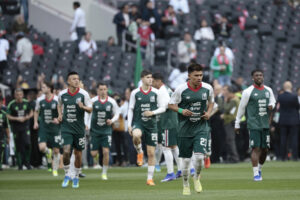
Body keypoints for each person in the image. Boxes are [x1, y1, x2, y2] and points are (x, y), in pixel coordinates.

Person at [168, 63, 214, 195]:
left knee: (199, 157)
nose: (199, 78)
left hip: (201, 127)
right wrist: (182, 110)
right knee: (186, 161)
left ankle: (197, 177)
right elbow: (171, 105)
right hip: (184, 129)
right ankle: (185, 184)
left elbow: (211, 102)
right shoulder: (181, 89)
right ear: (189, 76)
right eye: (196, 75)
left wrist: (209, 112)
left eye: (201, 75)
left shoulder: (207, 88)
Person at [235, 69, 276, 181]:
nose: (259, 77)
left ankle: (259, 168)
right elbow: (241, 108)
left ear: (263, 77)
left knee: (265, 150)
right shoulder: (248, 91)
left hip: (265, 124)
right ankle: (255, 174)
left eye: (261, 75)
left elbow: (273, 101)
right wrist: (237, 123)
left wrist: (272, 105)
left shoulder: (268, 90)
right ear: (253, 78)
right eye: (256, 75)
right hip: (253, 124)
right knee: (256, 148)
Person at [127, 70, 166, 186]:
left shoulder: (156, 92)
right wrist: (129, 124)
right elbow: (130, 109)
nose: (150, 80)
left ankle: (150, 178)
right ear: (142, 79)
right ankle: (139, 152)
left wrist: (152, 112)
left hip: (152, 125)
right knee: (136, 135)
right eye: (148, 77)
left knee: (151, 153)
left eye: (151, 78)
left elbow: (163, 108)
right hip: (139, 122)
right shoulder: (135, 93)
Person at [58, 71, 92, 188]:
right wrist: (60, 114)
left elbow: (91, 109)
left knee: (78, 154)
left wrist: (83, 107)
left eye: (77, 79)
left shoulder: (84, 94)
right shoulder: (62, 94)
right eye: (73, 79)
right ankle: (67, 174)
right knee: (66, 151)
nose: (76, 81)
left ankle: (76, 176)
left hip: (79, 129)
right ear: (68, 81)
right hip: (66, 128)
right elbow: (59, 104)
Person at [152, 73, 181, 182]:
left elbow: (164, 108)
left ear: (158, 81)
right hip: (173, 120)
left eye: (153, 81)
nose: (152, 83)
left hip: (168, 122)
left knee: (166, 148)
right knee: (174, 147)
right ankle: (180, 170)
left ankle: (170, 173)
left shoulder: (162, 91)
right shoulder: (167, 89)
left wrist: (152, 112)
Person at [90, 82, 120, 180]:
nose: (103, 91)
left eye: (104, 89)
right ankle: (97, 156)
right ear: (98, 91)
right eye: (101, 89)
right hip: (94, 130)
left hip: (106, 131)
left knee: (106, 152)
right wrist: (86, 124)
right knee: (93, 154)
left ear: (107, 90)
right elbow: (87, 113)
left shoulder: (111, 101)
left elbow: (117, 113)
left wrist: (112, 120)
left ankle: (104, 173)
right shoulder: (93, 101)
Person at [34, 82, 61, 176]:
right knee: (42, 148)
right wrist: (35, 122)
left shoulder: (57, 99)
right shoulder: (39, 100)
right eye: (42, 87)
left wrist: (58, 119)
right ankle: (48, 152)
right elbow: (36, 111)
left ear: (49, 88)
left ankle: (55, 169)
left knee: (56, 150)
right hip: (44, 127)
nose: (42, 89)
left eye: (44, 87)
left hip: (55, 128)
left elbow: (62, 113)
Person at [7, 88, 33, 170]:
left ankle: (27, 163)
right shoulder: (11, 104)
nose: (19, 96)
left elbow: (31, 112)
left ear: (23, 95)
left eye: (20, 94)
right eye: (17, 95)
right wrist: (17, 119)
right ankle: (20, 165)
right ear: (15, 95)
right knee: (18, 146)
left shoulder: (26, 102)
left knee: (28, 144)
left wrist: (27, 117)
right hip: (16, 127)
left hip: (25, 126)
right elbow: (8, 115)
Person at [277, 81, 299, 161]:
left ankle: (283, 157)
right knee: (294, 139)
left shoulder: (280, 96)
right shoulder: (294, 96)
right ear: (291, 87)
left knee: (283, 139)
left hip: (283, 120)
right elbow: (297, 106)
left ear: (284, 87)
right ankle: (295, 157)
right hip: (293, 120)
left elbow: (279, 108)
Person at [222, 85, 240, 163]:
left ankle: (234, 158)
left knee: (230, 140)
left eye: (225, 91)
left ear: (230, 92)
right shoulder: (235, 99)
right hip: (233, 121)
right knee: (230, 140)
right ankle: (232, 157)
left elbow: (226, 109)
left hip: (230, 121)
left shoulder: (233, 100)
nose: (224, 92)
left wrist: (225, 101)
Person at [0, 96, 9, 171]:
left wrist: (8, 137)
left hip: (1, 135)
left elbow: (6, 126)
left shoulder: (3, 114)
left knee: (1, 150)